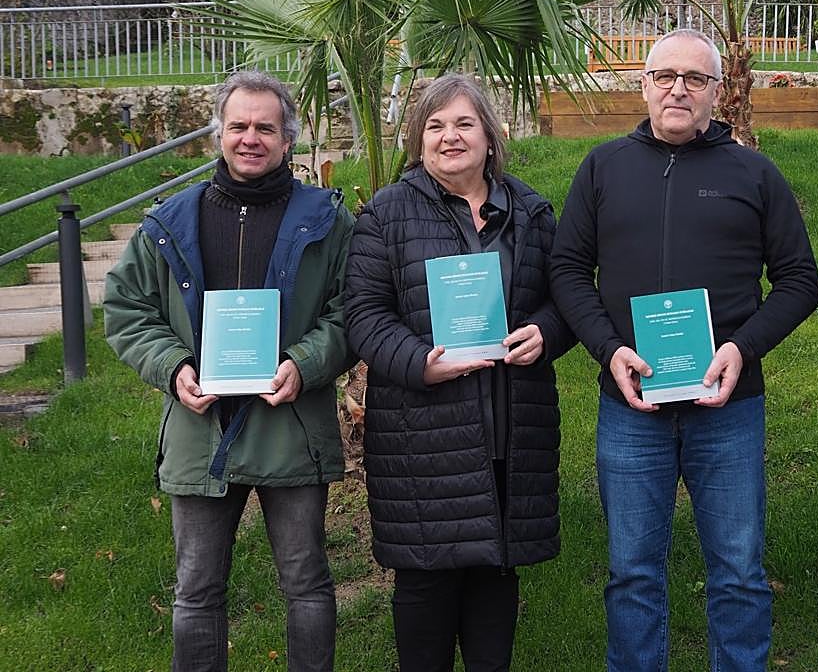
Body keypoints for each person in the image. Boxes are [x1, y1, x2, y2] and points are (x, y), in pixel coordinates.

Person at [550, 28, 818, 671]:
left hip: (727, 404)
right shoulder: (603, 168)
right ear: (643, 86)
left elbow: (799, 280)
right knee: (631, 573)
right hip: (631, 404)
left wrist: (743, 348)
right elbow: (567, 271)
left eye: (695, 78)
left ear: (717, 92)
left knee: (739, 571)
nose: (679, 89)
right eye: (665, 76)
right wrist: (608, 350)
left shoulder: (753, 173)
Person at [104, 71, 355, 672]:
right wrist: (172, 367)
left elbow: (353, 307)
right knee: (196, 590)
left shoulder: (327, 220)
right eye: (238, 126)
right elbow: (126, 307)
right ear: (219, 133)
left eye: (265, 127)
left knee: (307, 583)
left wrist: (305, 363)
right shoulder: (169, 222)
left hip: (291, 424)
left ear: (288, 139)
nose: (250, 138)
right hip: (200, 429)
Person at [343, 74, 573, 672]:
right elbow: (363, 314)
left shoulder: (530, 212)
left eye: (464, 124)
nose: (450, 136)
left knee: (496, 574)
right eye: (436, 126)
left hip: (510, 432)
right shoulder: (386, 214)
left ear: (489, 137)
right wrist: (419, 363)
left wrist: (546, 333)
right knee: (426, 582)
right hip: (424, 436)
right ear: (418, 140)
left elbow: (565, 298)